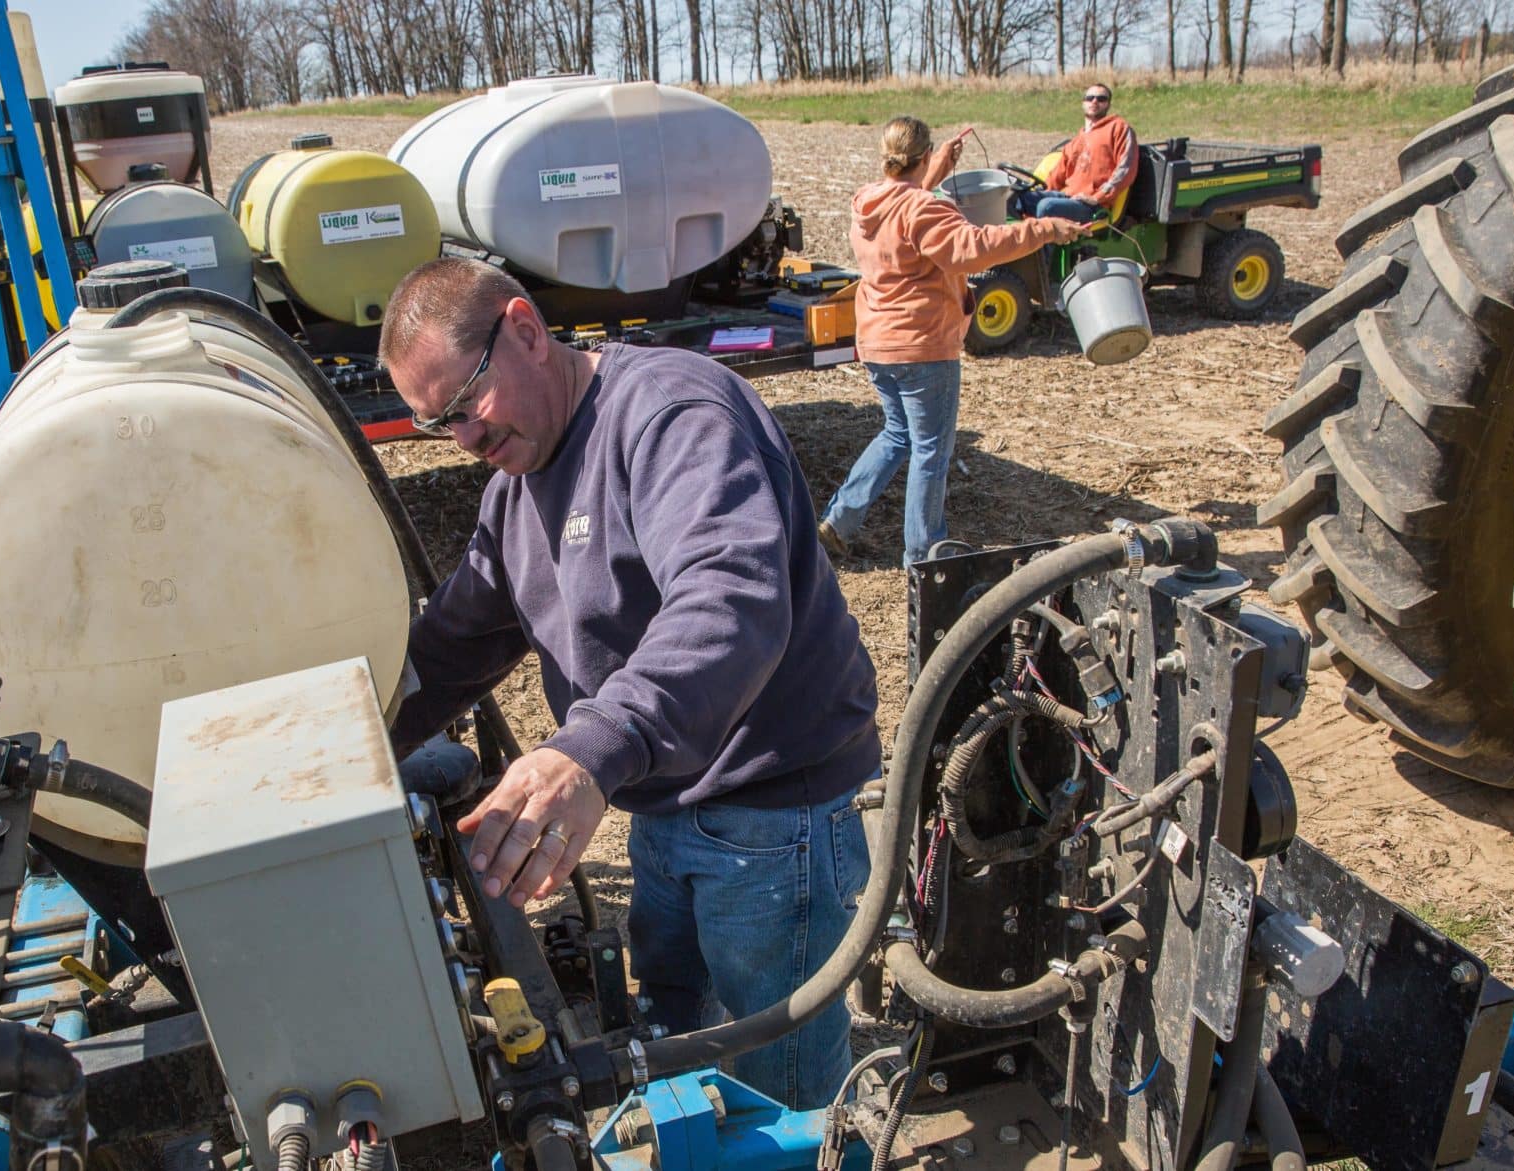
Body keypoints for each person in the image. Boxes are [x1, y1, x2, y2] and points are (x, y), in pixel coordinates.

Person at [381, 257, 881, 1110]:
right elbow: (457, 638)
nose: (464, 439)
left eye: (467, 404)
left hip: (771, 817)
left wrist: (588, 753)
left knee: (778, 1093)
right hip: (661, 799)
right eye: (439, 425)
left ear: (526, 331)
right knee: (673, 1042)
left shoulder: (670, 415)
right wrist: (361, 728)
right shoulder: (520, 483)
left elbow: (731, 599)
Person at [818, 116, 1090, 566]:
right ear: (922, 158)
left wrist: (936, 168)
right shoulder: (924, 210)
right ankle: (924, 557)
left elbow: (907, 207)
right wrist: (1045, 230)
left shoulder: (868, 203)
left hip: (879, 343)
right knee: (930, 451)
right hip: (922, 345)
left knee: (897, 433)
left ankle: (839, 521)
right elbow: (972, 247)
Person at [1016, 83, 1139, 223]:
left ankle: (1041, 243)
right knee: (1013, 199)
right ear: (1083, 103)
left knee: (1047, 206)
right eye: (1090, 97)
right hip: (1068, 197)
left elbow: (1125, 170)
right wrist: (1036, 192)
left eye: (1101, 98)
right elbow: (1056, 177)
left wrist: (1097, 197)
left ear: (1108, 104)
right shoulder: (1075, 142)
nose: (1095, 101)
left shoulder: (1119, 128)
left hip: (1092, 205)